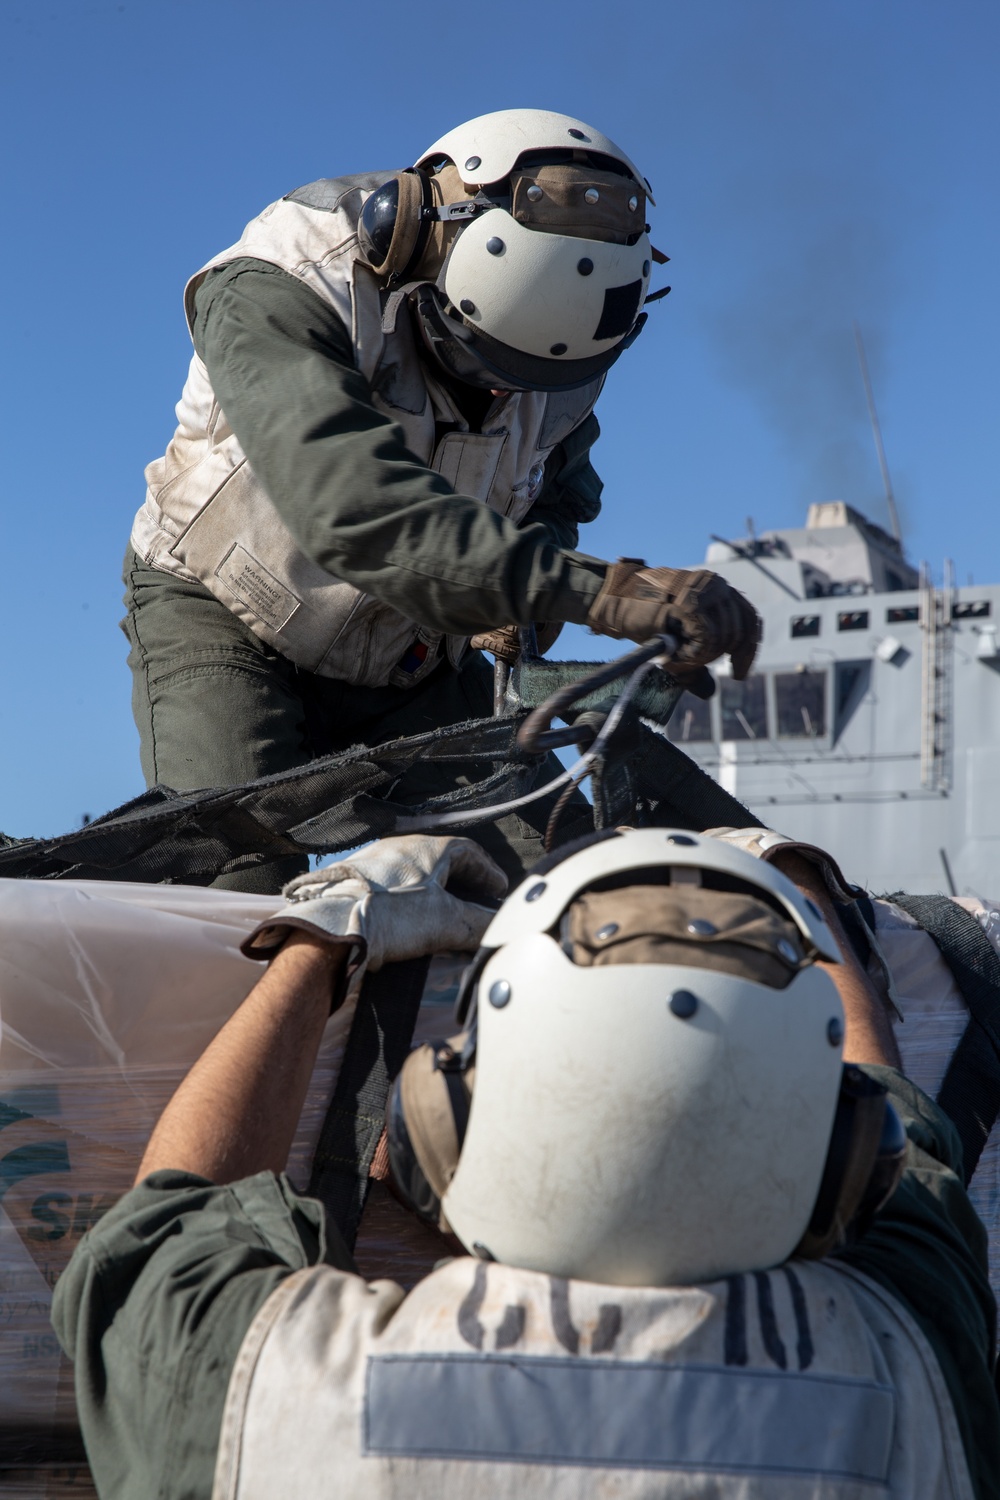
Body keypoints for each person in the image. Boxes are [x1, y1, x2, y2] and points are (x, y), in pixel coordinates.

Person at [53, 830, 999, 1498]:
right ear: (839, 1164)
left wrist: (327, 940)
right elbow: (902, 1139)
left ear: (442, 1133)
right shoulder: (910, 1371)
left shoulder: (284, 1389)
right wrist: (804, 906)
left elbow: (161, 1226)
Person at [122, 108, 760, 891]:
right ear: (424, 238)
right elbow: (358, 513)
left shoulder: (565, 345)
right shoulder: (281, 283)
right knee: (236, 898)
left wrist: (520, 604)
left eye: (526, 374)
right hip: (230, 611)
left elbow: (555, 502)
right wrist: (613, 595)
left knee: (560, 888)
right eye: (475, 355)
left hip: (415, 660)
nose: (501, 388)